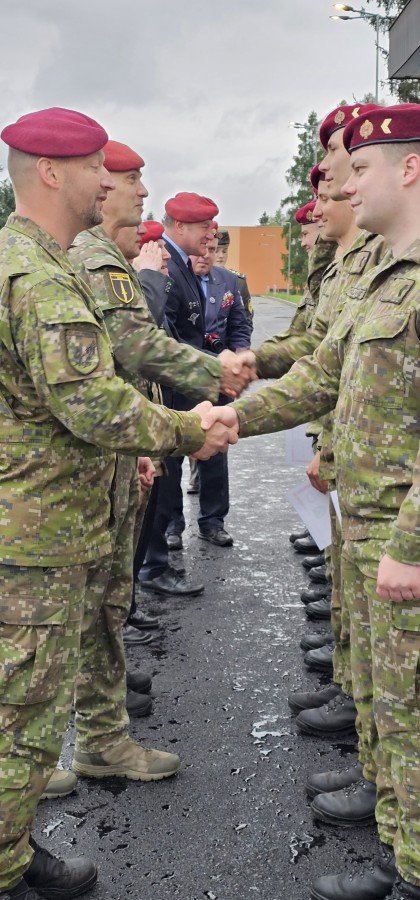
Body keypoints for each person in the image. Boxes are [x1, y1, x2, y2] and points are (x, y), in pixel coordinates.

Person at [0, 106, 237, 900]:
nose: (107, 184)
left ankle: (12, 845)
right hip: (37, 531)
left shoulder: (43, 260)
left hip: (53, 519)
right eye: (95, 168)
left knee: (29, 703)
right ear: (50, 172)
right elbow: (94, 404)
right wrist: (187, 430)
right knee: (23, 710)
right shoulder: (37, 276)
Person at [207, 103, 420, 900]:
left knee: (412, 710)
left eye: (360, 169)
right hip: (366, 527)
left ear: (411, 169)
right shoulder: (387, 273)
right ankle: (399, 847)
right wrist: (231, 418)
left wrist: (411, 545)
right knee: (392, 705)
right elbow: (323, 375)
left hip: (401, 539)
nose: (343, 183)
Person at [68, 142, 254, 770]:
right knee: (55, 623)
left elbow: (129, 359)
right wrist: (202, 398)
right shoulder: (84, 260)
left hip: (122, 449)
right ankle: (35, 769)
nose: (140, 192)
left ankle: (100, 733)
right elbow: (129, 350)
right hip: (73, 471)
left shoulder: (99, 257)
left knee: (105, 600)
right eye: (129, 179)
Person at [139, 192, 253, 595]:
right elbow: (157, 338)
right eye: (204, 227)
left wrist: (231, 361)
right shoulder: (164, 266)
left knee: (207, 457)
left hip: (198, 381)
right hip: (174, 389)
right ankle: (156, 559)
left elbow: (236, 323)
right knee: (164, 473)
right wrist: (216, 368)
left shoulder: (192, 268)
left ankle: (203, 526)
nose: (211, 235)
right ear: (180, 226)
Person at [166, 231, 252, 547]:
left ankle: (213, 522)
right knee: (171, 456)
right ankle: (171, 525)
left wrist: (240, 358)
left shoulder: (229, 281)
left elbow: (240, 326)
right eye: (202, 250)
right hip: (179, 380)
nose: (206, 256)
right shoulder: (172, 279)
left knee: (215, 454)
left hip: (217, 383)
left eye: (213, 250)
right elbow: (169, 336)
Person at [214, 227, 254, 331]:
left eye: (224, 251)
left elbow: (247, 319)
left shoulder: (238, 281)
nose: (221, 256)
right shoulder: (197, 278)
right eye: (216, 251)